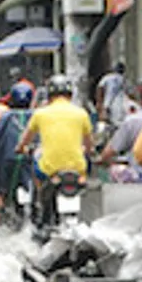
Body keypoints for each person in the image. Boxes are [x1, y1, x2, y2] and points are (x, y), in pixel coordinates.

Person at [16, 75, 95, 228]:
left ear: (49, 95)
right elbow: (89, 145)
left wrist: (20, 149)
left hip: (49, 169)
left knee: (35, 165)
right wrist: (88, 151)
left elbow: (25, 140)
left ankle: (40, 199)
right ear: (70, 95)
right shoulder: (81, 113)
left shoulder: (40, 114)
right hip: (77, 169)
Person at [0, 79, 36, 220]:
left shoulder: (6, 116)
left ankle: (0, 208)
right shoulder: (36, 115)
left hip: (7, 161)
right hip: (29, 160)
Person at [94, 61, 130, 128]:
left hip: (108, 104)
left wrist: (99, 102)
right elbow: (129, 93)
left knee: (105, 123)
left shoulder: (107, 77)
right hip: (121, 105)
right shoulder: (124, 80)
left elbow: (99, 88)